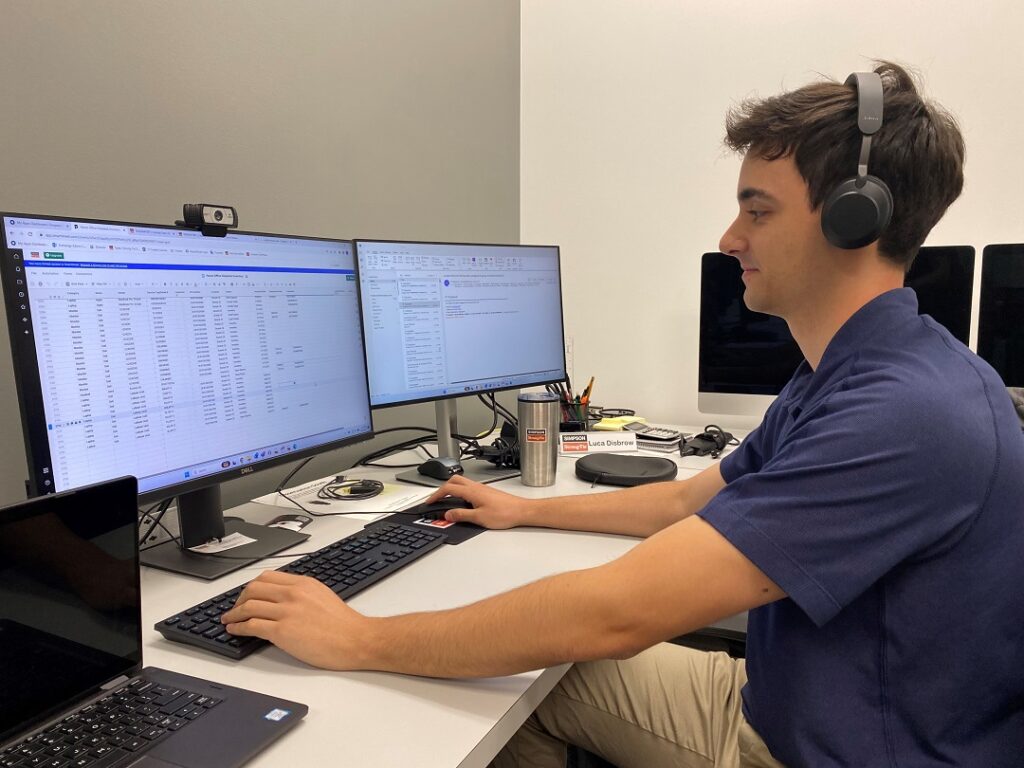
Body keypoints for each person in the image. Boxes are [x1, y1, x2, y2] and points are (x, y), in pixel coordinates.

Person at [222, 62, 1024, 766]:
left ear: (857, 219)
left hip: (817, 749)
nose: (729, 235)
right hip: (798, 699)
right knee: (526, 680)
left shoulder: (903, 412)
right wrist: (522, 511)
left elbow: (615, 614)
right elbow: (684, 501)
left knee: (509, 682)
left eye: (759, 211)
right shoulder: (862, 370)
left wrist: (359, 639)